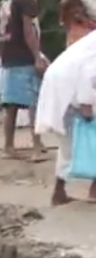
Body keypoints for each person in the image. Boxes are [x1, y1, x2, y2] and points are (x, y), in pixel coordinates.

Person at [36, 30, 96, 205]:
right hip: (69, 90)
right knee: (81, 142)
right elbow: (89, 71)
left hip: (63, 86)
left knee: (67, 145)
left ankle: (59, 192)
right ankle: (92, 191)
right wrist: (86, 105)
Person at [0, 0, 46, 159]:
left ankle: (8, 146)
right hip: (23, 55)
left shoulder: (5, 1)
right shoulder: (24, 0)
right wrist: (37, 57)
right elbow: (28, 30)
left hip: (8, 56)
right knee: (34, 101)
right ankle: (35, 146)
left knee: (11, 105)